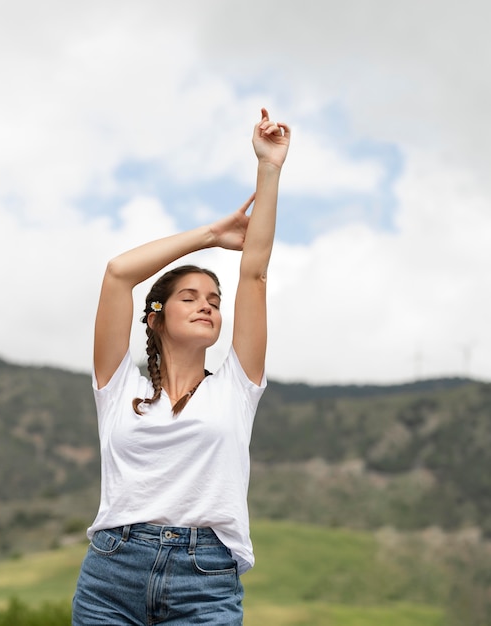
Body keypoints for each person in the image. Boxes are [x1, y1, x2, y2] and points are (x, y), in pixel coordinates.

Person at [72, 108, 290, 625]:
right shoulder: (117, 385)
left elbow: (255, 274)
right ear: (155, 318)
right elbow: (118, 274)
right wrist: (212, 234)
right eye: (189, 296)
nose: (207, 305)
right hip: (110, 575)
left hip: (205, 578)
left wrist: (269, 167)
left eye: (213, 299)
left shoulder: (237, 387)